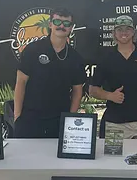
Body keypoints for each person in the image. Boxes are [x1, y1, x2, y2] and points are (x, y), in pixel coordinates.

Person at [13, 8, 86, 138]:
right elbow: (20, 83)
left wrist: (70, 119)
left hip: (59, 120)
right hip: (30, 119)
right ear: (50, 24)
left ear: (71, 28)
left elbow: (77, 91)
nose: (61, 26)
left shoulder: (75, 58)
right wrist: (17, 116)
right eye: (57, 22)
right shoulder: (32, 50)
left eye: (66, 23)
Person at [90, 15, 137, 139]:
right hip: (114, 124)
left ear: (133, 32)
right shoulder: (106, 58)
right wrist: (110, 96)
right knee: (111, 153)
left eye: (127, 29)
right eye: (120, 29)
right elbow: (93, 90)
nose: (124, 33)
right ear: (114, 33)